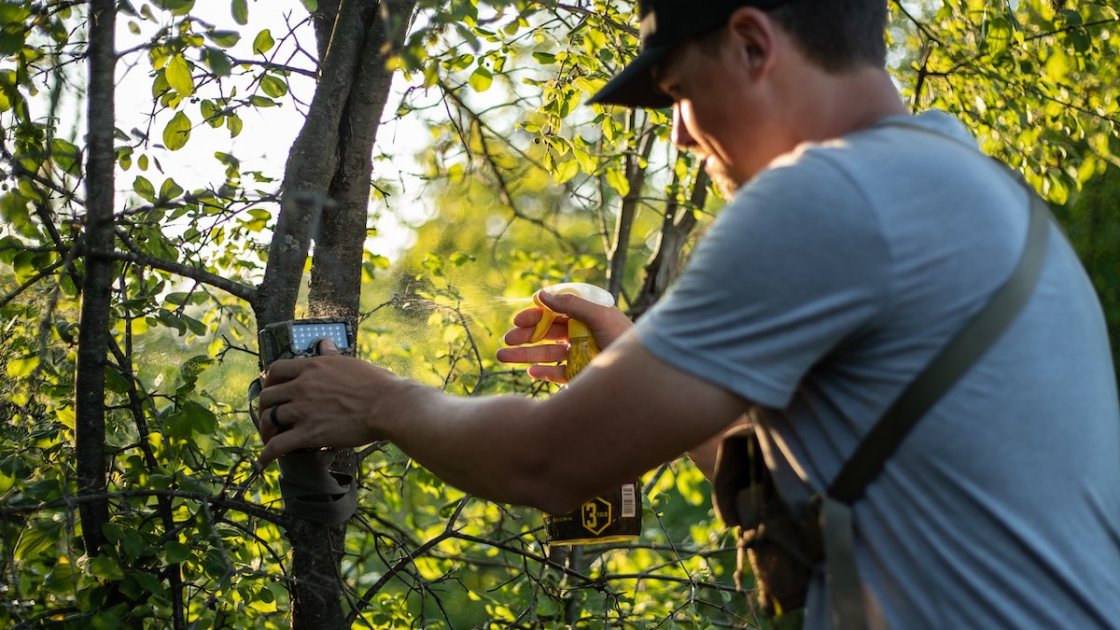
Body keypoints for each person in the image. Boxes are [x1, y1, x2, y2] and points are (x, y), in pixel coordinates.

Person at [257, 0, 1120, 627]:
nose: (676, 132)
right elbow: (810, 488)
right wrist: (628, 353)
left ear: (751, 43)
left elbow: (548, 466)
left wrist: (378, 400)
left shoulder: (829, 196)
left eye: (677, 90)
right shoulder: (968, 187)